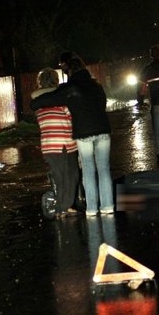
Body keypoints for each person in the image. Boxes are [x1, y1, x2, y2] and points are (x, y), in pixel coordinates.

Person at [30, 56, 114, 217]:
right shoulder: (96, 85)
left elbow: (38, 103)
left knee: (87, 170)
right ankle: (107, 205)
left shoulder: (69, 89)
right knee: (103, 170)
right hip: (101, 130)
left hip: (81, 134)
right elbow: (102, 104)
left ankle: (91, 209)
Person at [31, 68, 80, 219]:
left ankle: (62, 208)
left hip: (48, 145)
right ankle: (64, 207)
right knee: (72, 175)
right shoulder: (63, 104)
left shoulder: (38, 106)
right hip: (65, 143)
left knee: (59, 176)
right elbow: (72, 120)